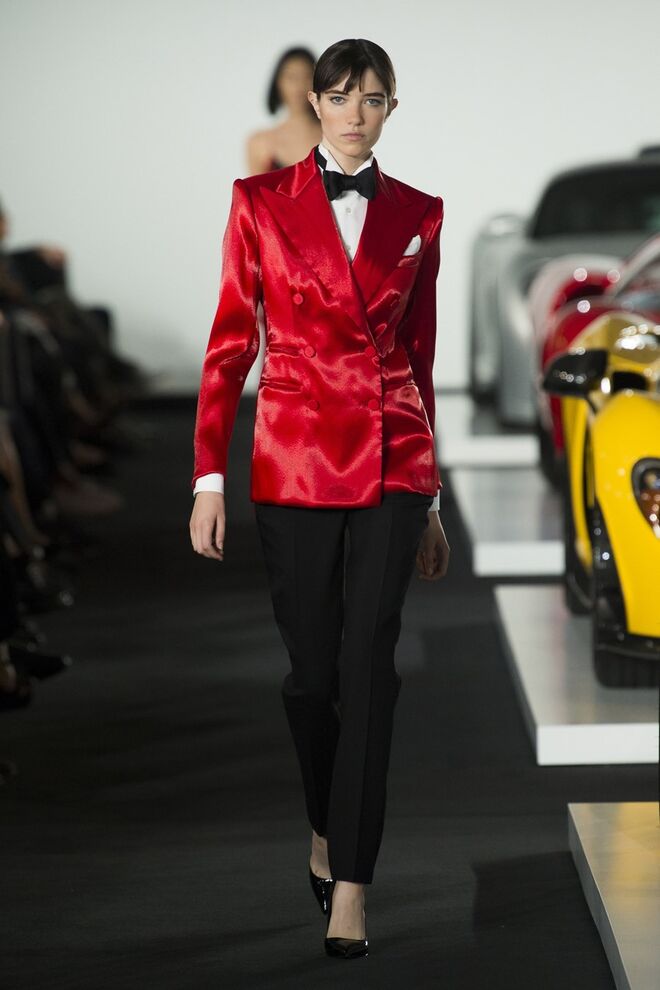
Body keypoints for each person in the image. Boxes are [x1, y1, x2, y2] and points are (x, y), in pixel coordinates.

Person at [190, 38, 450, 959]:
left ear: (390, 109)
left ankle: (352, 886)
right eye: (339, 96)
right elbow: (230, 344)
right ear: (316, 104)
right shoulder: (259, 201)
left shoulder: (420, 212)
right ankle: (323, 822)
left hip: (390, 462)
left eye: (371, 99)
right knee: (311, 677)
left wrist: (433, 495)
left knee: (369, 667)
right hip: (295, 457)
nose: (353, 113)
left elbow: (418, 358)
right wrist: (209, 477)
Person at [245, 46, 321, 175]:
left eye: (307, 76)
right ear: (278, 83)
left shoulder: (335, 138)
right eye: (291, 77)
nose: (299, 85)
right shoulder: (259, 143)